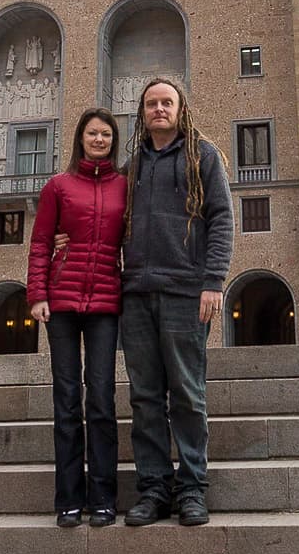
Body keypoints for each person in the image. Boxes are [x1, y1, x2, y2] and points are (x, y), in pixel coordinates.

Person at [119, 76, 233, 526]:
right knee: (145, 398)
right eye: (152, 103)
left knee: (187, 392)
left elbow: (222, 218)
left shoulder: (202, 156)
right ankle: (152, 489)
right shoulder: (131, 167)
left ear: (181, 108)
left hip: (187, 291)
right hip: (137, 295)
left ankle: (191, 489)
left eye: (167, 102)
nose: (159, 109)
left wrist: (214, 281)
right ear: (143, 112)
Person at [26, 108, 127, 528]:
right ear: (80, 139)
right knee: (66, 400)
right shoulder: (58, 186)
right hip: (62, 303)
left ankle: (103, 497)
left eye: (105, 134)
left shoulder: (126, 185)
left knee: (101, 398)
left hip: (105, 302)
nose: (99, 139)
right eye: (92, 133)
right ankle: (68, 499)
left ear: (113, 140)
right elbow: (40, 242)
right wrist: (37, 295)